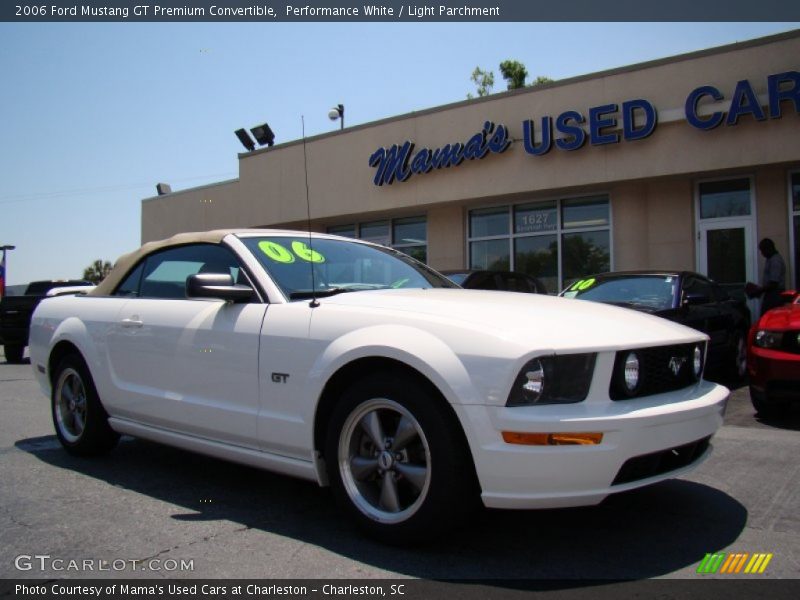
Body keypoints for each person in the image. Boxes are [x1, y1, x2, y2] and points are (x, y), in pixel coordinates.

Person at [747, 238, 786, 316]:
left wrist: (758, 290)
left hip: (775, 296)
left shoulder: (775, 261)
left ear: (768, 249)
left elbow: (774, 283)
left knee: (768, 318)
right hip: (771, 294)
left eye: (762, 251)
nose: (762, 253)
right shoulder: (770, 259)